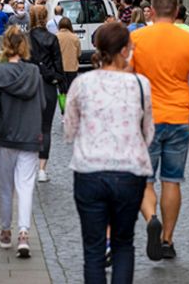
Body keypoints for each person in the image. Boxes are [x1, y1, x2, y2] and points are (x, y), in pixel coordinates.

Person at [64, 21, 153, 284]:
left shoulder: (82, 83)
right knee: (124, 244)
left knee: (93, 250)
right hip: (129, 171)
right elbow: (148, 131)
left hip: (90, 171)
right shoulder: (140, 84)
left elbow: (69, 130)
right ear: (125, 50)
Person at [129, 0, 189, 261]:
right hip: (178, 117)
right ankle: (167, 240)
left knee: (145, 180)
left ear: (150, 10)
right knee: (172, 180)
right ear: (177, 11)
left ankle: (152, 218)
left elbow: (126, 79)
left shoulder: (136, 38)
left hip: (146, 118)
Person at [0, 26, 45, 258]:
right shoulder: (34, 72)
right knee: (26, 185)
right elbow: (42, 104)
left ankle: (5, 230)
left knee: (5, 186)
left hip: (5, 134)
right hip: (30, 134)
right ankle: (23, 233)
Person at [28, 5, 65, 183]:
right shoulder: (51, 38)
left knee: (29, 127)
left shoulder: (26, 39)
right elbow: (59, 67)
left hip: (29, 86)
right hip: (48, 86)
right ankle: (42, 169)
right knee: (46, 128)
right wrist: (56, 79)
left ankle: (29, 166)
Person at [56, 17, 80, 90]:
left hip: (60, 67)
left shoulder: (56, 36)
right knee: (72, 89)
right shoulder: (75, 37)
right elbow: (79, 53)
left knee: (62, 91)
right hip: (72, 67)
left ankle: (63, 101)